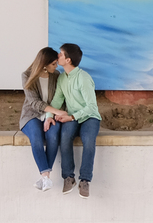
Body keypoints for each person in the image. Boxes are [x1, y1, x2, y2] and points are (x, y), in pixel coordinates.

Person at [49, 42, 102, 198]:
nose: (57, 56)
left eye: (60, 54)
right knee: (65, 137)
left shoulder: (84, 78)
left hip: (89, 117)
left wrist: (71, 117)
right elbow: (57, 101)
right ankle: (68, 177)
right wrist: (49, 117)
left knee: (88, 140)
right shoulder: (62, 78)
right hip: (71, 117)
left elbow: (92, 107)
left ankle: (85, 180)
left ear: (68, 60)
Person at [18, 47, 65, 191]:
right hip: (31, 115)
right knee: (36, 138)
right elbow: (34, 102)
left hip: (50, 116)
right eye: (53, 64)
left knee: (53, 136)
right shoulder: (27, 75)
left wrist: (52, 115)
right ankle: (46, 176)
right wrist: (56, 111)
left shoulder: (56, 75)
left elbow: (59, 98)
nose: (56, 66)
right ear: (44, 64)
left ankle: (45, 179)